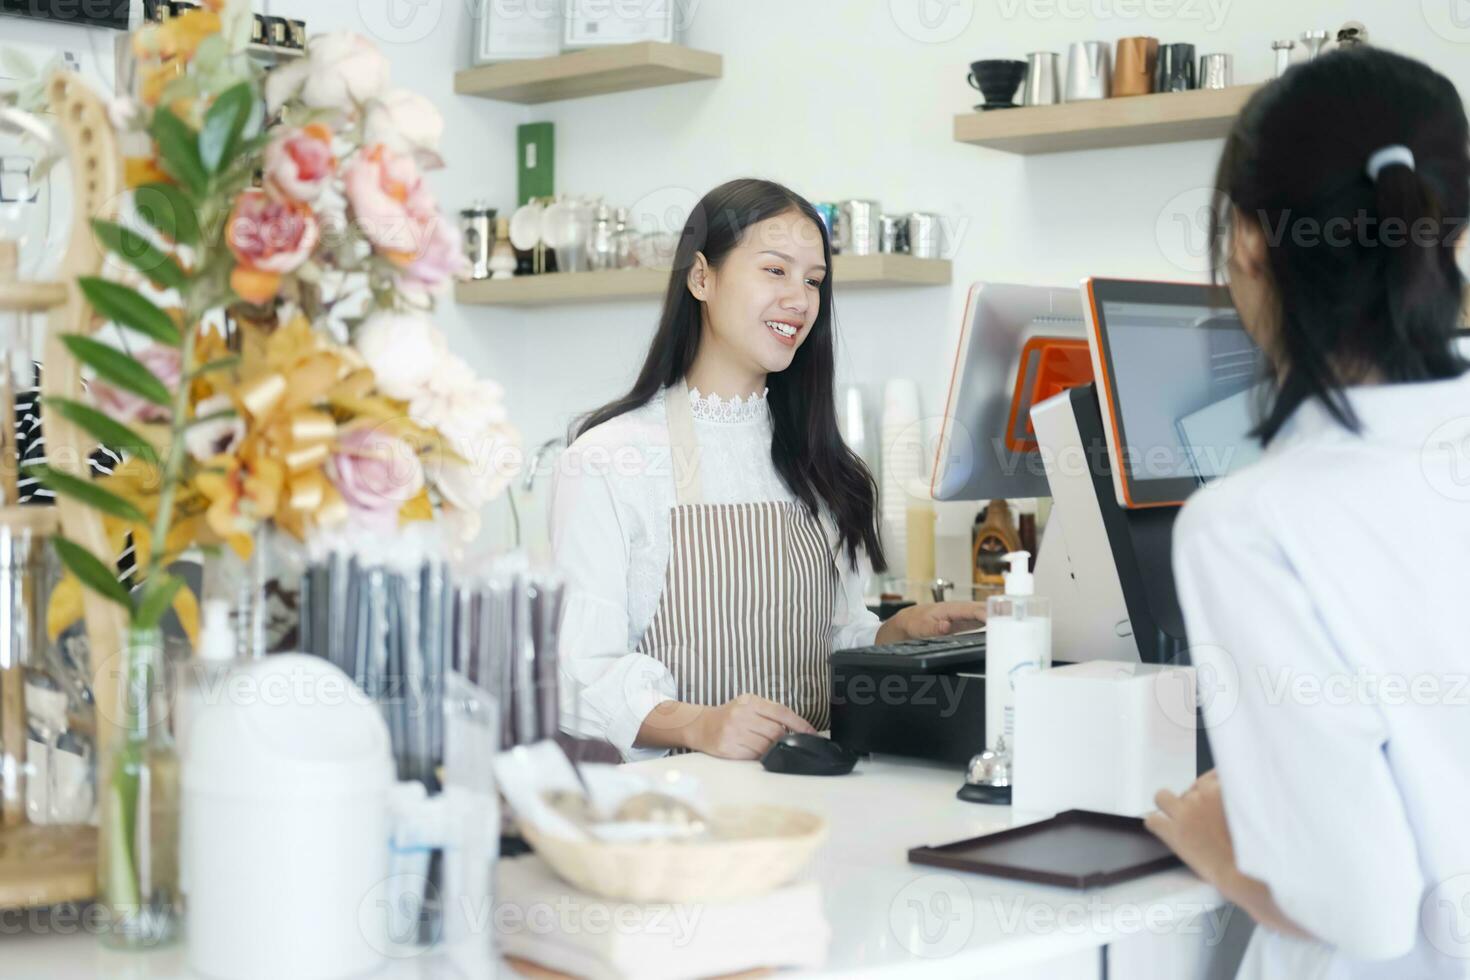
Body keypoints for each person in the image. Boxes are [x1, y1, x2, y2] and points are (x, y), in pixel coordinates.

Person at [1143, 47, 1470, 979]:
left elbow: (1360, 909)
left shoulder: (1252, 523)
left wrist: (1220, 845)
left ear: (1249, 239)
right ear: (1450, 233)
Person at [551, 178, 985, 762]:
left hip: (818, 788)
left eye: (813, 281)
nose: (801, 300)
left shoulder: (825, 466)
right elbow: (582, 675)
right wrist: (699, 725)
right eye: (775, 271)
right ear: (702, 277)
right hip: (684, 809)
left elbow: (831, 639)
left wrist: (898, 633)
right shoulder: (608, 460)